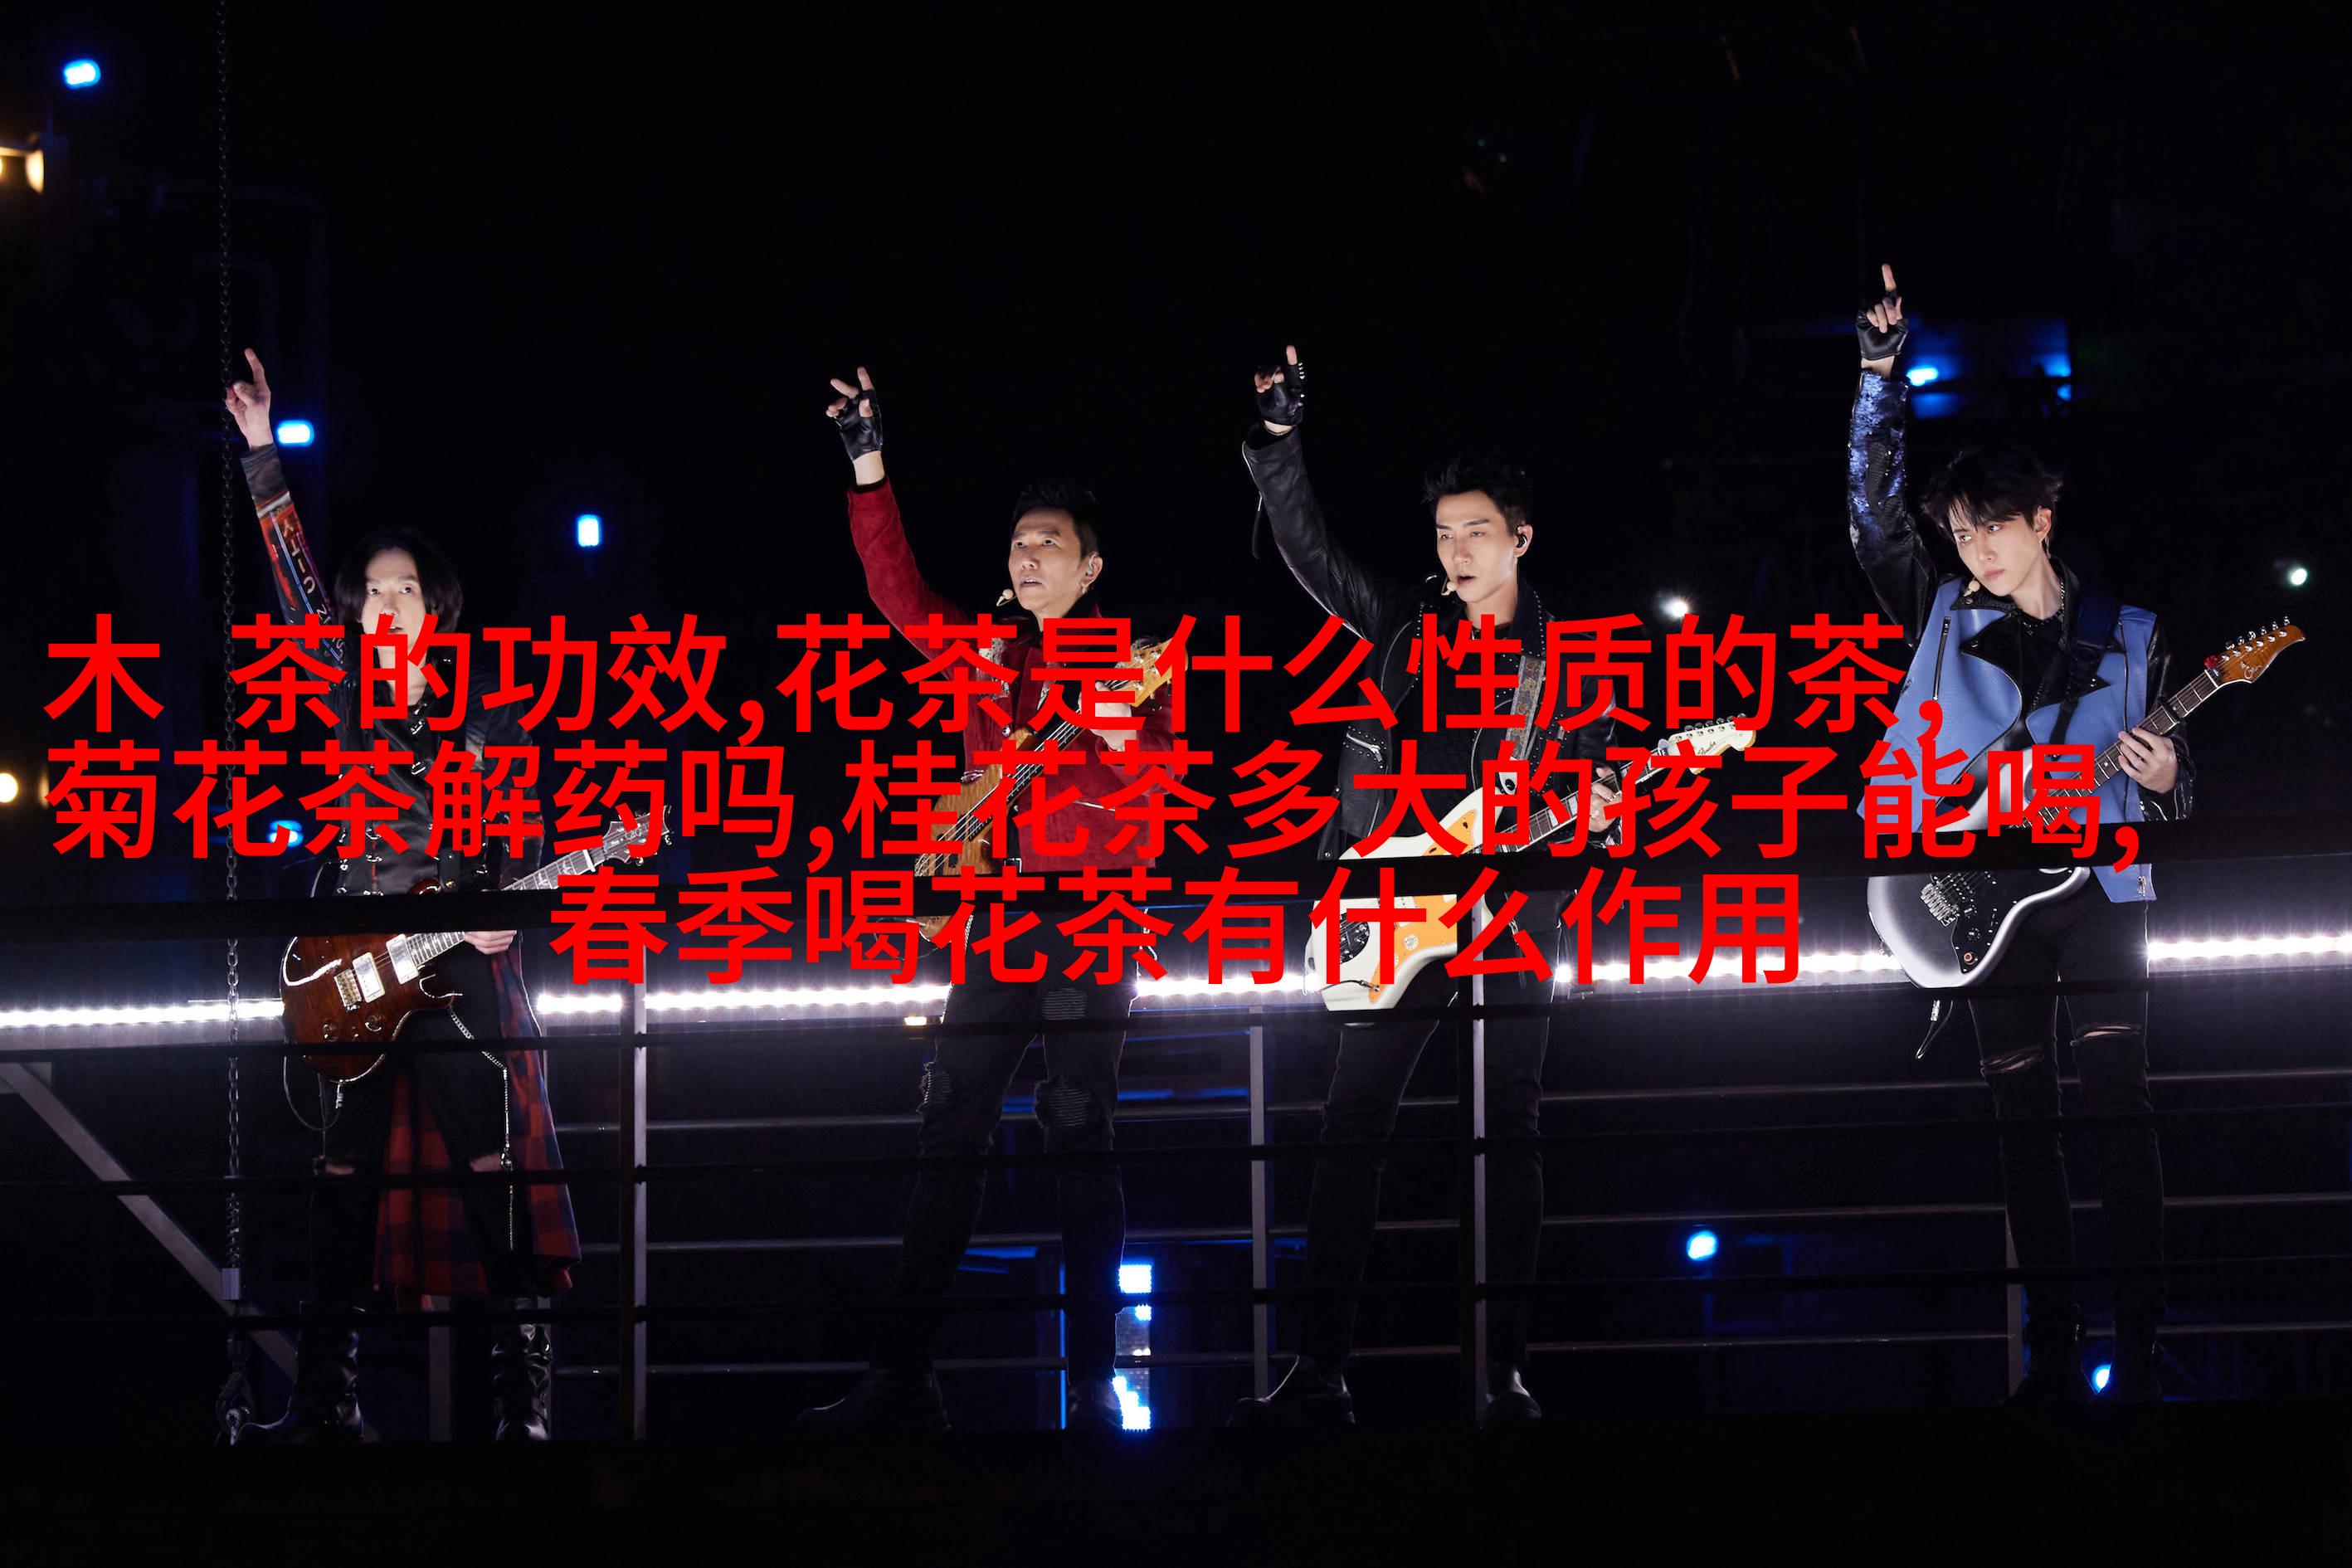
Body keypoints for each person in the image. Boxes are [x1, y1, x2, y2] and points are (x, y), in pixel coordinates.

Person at [1229, 348, 1620, 1428]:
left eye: (1476, 532)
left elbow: (1589, 792)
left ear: (1521, 538)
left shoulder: (1568, 661)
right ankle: (1319, 1372)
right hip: (1387, 905)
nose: (1456, 551)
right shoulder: (1404, 621)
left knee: (1508, 1126)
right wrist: (1278, 440)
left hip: (1510, 913)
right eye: (1445, 534)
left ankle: (1501, 1374)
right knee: (1351, 1120)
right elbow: (1309, 552)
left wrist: (1591, 808)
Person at [794, 367, 1178, 1432]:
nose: (1027, 555)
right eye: (1018, 543)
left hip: (1092, 922)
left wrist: (1108, 718)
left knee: (1080, 1129)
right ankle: (903, 1376)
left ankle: (1094, 1382)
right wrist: (868, 461)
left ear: (1091, 566)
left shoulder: (1139, 660)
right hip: (995, 924)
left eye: (1049, 542)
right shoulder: (986, 655)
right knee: (950, 1125)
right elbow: (897, 592)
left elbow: (1157, 785)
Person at [1848, 267, 2190, 1402]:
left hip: (2101, 890)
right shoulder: (1939, 612)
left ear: (2041, 519)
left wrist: (2167, 773)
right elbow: (1871, 519)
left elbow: (2176, 786)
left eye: (1992, 527)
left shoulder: (2128, 631)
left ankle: (2141, 1336)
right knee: (2018, 1117)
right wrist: (1878, 377)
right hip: (1981, 893)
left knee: (2120, 1103)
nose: (1975, 550)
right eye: (1960, 532)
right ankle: (2051, 1341)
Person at [224, 351, 579, 1443]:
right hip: (350, 963)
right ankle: (323, 1399)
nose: (386, 603)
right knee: (341, 1176)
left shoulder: (488, 712)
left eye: (405, 589)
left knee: (490, 1170)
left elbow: (525, 839)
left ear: (438, 609)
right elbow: (292, 594)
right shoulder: (341, 695)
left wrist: (501, 909)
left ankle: (523, 1407)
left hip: (457, 968)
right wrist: (262, 454)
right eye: (372, 590)